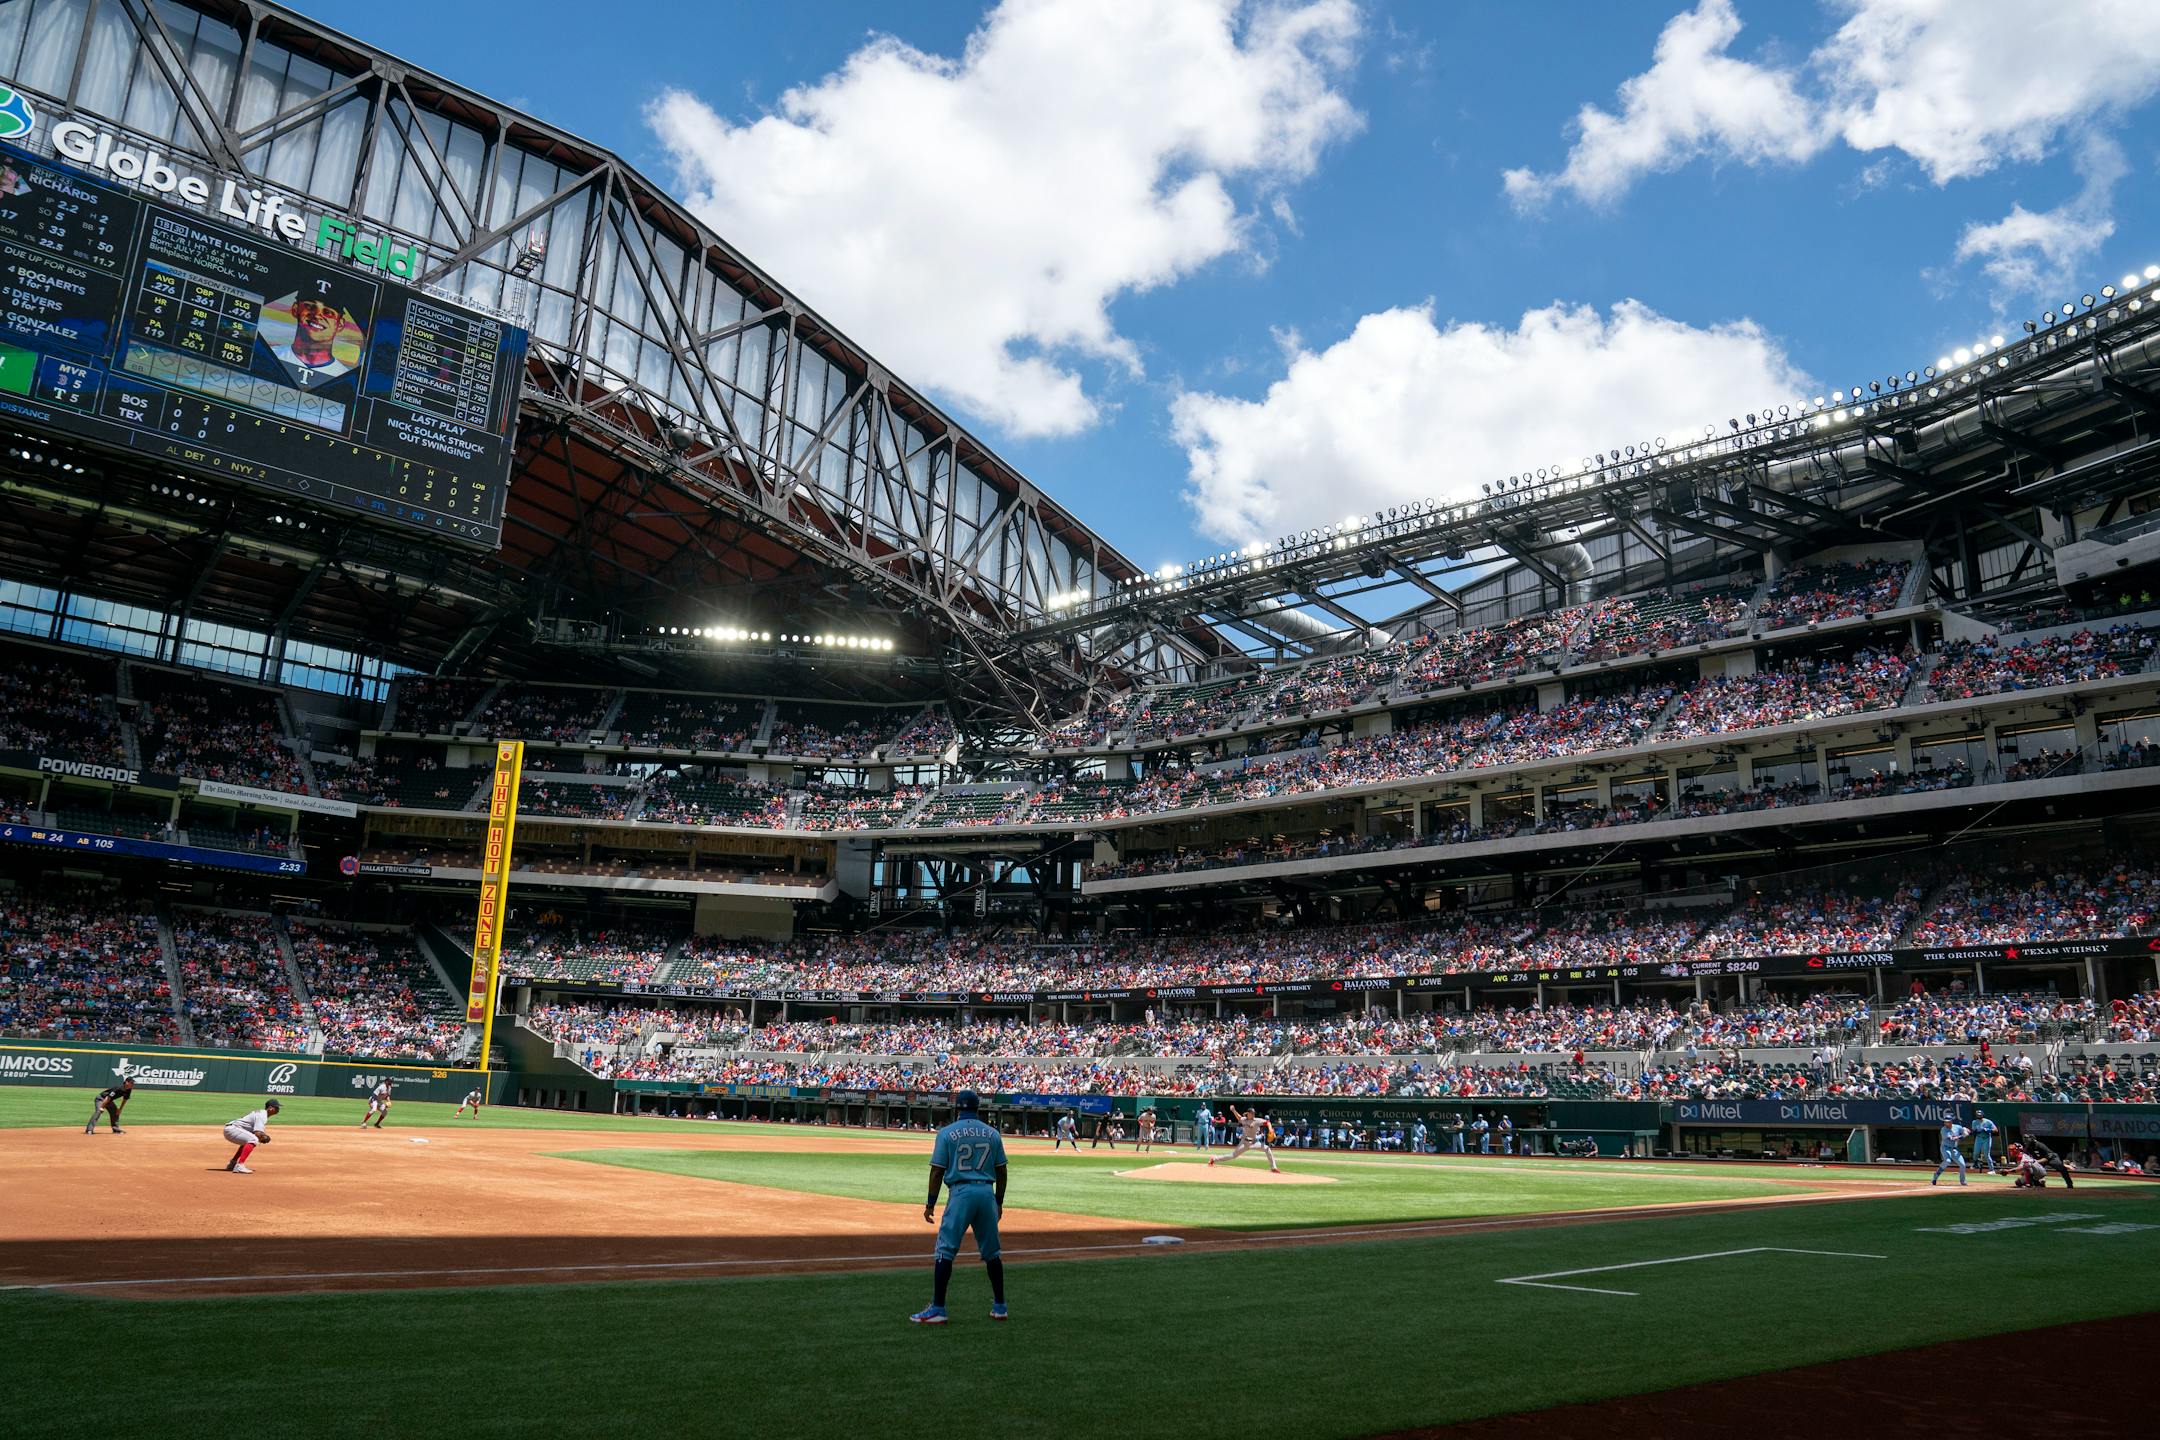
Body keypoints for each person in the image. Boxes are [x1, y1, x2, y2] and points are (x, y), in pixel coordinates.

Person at [910, 1090, 1008, 1325]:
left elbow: (937, 1170)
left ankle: (938, 1308)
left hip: (961, 1193)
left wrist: (930, 1203)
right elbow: (1002, 1170)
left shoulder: (947, 1133)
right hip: (986, 1192)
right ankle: (1000, 1306)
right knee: (992, 1253)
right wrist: (999, 1201)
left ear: (957, 1109)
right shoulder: (992, 1133)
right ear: (978, 1109)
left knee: (945, 1250)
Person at [1207, 1106, 1281, 1174]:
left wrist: (1270, 1129)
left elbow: (1267, 1122)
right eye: (1252, 1113)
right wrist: (1234, 1110)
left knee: (1267, 1149)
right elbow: (1239, 1117)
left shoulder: (1257, 1120)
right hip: (1244, 1142)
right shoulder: (1244, 1119)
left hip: (1254, 1142)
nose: (1253, 1114)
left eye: (1254, 1113)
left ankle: (1273, 1168)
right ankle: (1214, 1158)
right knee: (1233, 1155)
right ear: (1248, 1113)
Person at [222, 1099, 279, 1173]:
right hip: (233, 1130)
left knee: (248, 1140)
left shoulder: (261, 1113)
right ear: (270, 1108)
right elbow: (258, 1133)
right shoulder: (262, 1115)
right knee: (254, 1139)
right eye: (277, 1107)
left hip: (232, 1129)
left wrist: (262, 1136)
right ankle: (240, 1166)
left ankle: (232, 1163)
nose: (278, 1109)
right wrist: (264, 1137)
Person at [1931, 1117, 1971, 1186]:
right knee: (1947, 1161)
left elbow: (1967, 1131)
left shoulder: (1957, 1127)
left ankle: (1963, 1181)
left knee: (1962, 1165)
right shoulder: (1943, 1130)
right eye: (1945, 1122)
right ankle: (1936, 1176)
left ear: (1951, 1122)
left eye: (1947, 1122)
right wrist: (1962, 1136)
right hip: (1945, 1148)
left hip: (1954, 1149)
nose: (1946, 1123)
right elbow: (1952, 1139)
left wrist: (1966, 1130)